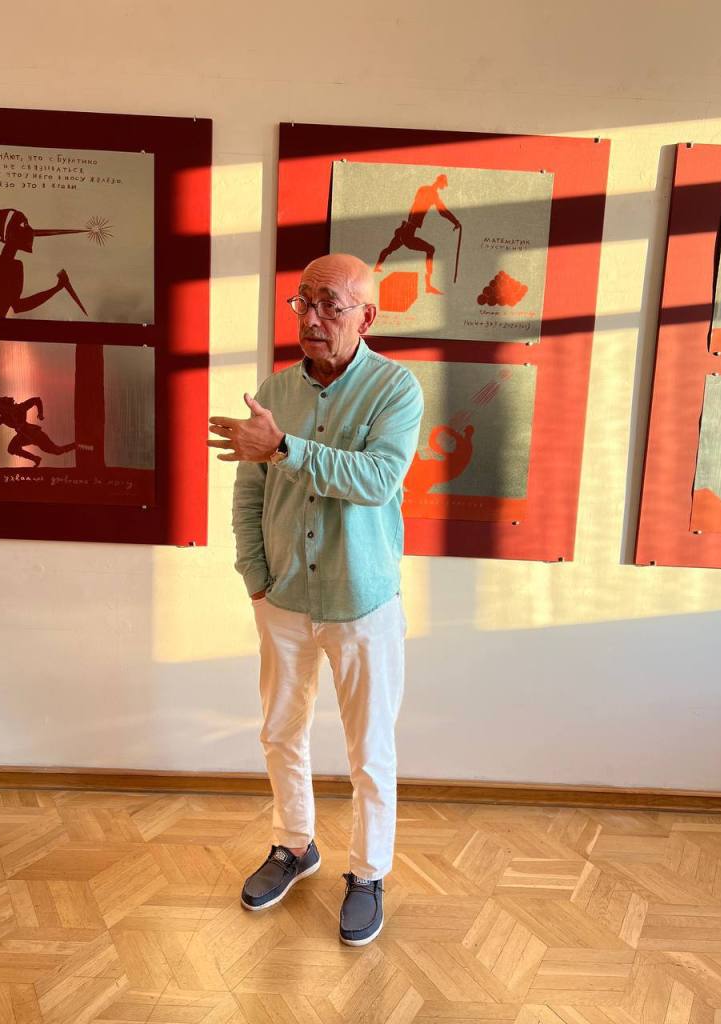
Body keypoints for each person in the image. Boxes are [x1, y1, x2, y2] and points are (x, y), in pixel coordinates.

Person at [209, 253, 423, 946]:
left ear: (367, 316)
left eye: (332, 304)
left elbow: (377, 480)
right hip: (283, 598)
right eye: (304, 302)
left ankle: (368, 873)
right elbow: (248, 493)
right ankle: (294, 845)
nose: (313, 317)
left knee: (370, 751)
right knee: (280, 732)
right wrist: (255, 577)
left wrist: (284, 449)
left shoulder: (395, 388)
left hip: (363, 601)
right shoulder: (276, 389)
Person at [374, 174, 461, 294]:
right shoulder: (433, 195)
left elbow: (414, 207)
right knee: (430, 249)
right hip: (408, 233)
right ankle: (428, 286)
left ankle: (376, 267)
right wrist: (455, 221)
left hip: (404, 228)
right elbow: (443, 211)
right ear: (439, 182)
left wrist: (409, 223)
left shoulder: (423, 189)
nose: (444, 187)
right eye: (443, 184)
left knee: (389, 249)